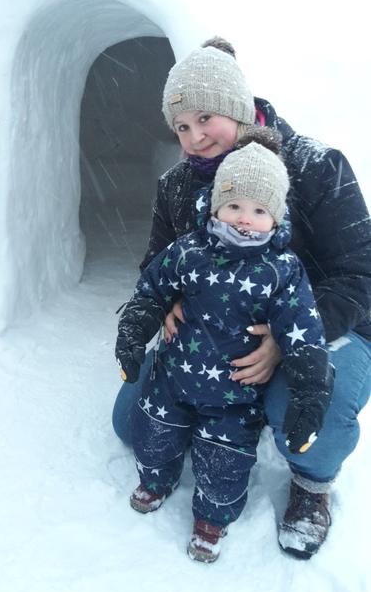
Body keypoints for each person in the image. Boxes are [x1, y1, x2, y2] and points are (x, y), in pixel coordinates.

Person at [112, 37, 371, 559]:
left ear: (237, 107)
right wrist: (166, 303)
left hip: (323, 326)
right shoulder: (178, 186)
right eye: (181, 127)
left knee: (307, 412)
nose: (195, 137)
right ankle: (203, 419)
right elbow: (156, 262)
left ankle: (311, 485)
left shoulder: (316, 166)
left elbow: (359, 274)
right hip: (213, 332)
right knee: (129, 423)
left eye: (206, 118)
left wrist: (288, 337)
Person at [115, 129, 334, 563]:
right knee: (153, 433)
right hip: (173, 378)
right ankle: (156, 480)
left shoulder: (282, 270)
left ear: (276, 217)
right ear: (215, 205)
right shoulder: (189, 251)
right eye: (234, 206)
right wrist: (135, 330)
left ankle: (212, 519)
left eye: (258, 210)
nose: (243, 219)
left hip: (235, 394)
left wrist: (311, 390)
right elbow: (152, 290)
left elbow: (304, 335)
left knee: (225, 461)